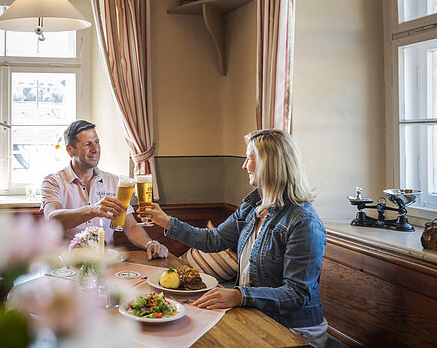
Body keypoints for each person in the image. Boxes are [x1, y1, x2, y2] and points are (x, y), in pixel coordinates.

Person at [146, 129, 328, 348]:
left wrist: (240, 296)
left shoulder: (303, 222)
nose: (244, 166)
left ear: (268, 166)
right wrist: (166, 221)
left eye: (249, 159)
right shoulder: (254, 206)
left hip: (293, 330)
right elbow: (214, 240)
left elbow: (297, 294)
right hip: (253, 314)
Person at [41, 120, 168, 260]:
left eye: (97, 142)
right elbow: (52, 218)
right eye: (87, 144)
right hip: (65, 264)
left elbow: (131, 226)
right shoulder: (53, 181)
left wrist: (150, 243)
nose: (95, 149)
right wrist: (93, 210)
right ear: (70, 150)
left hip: (105, 263)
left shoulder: (115, 182)